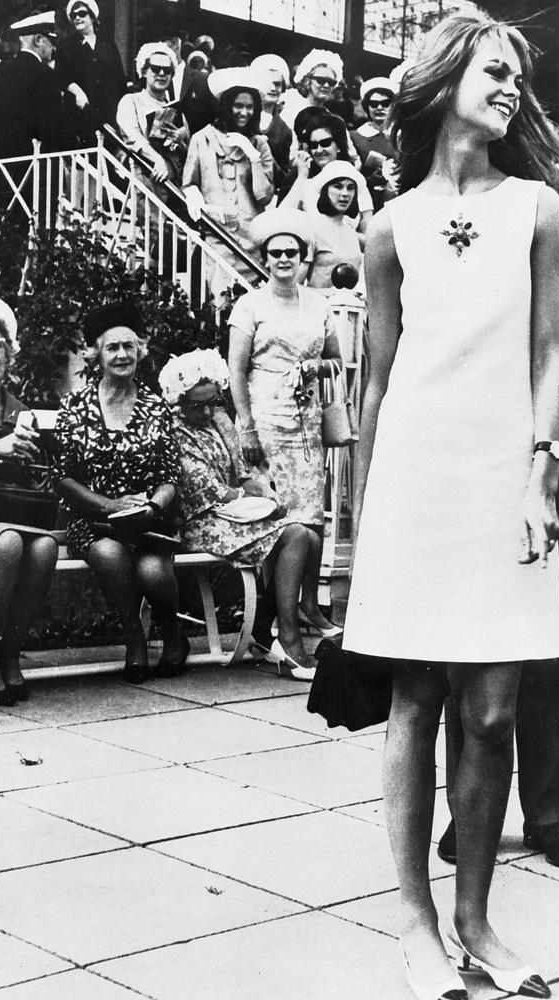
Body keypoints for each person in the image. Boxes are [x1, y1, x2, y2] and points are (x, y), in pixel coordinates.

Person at [343, 14, 559, 1000]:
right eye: (493, 72)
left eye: (515, 78)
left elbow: (548, 352)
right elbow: (376, 378)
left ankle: (474, 918)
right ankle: (413, 924)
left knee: (490, 708)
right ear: (441, 82)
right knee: (414, 698)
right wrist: (354, 525)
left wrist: (539, 474)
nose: (509, 89)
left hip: (501, 481)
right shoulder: (387, 224)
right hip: (412, 483)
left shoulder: (537, 207)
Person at [439, 201, 559, 877]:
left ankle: (548, 816)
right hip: (482, 479)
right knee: (474, 656)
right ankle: (470, 811)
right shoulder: (473, 279)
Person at [159, 348, 329, 680]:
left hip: (233, 514)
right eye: (198, 405)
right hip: (200, 522)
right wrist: (246, 496)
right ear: (179, 401)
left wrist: (262, 491)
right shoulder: (175, 429)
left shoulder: (217, 420)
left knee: (308, 535)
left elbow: (242, 473)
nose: (208, 411)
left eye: (214, 402)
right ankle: (290, 642)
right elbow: (200, 488)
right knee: (294, 536)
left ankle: (264, 631)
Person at [227, 209, 343, 674]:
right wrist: (246, 427)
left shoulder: (318, 304)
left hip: (307, 424)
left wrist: (317, 368)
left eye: (291, 253)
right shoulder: (250, 306)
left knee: (309, 526)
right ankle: (283, 631)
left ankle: (281, 623)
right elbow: (236, 369)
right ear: (264, 258)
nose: (283, 260)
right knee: (281, 527)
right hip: (266, 423)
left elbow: (336, 358)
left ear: (303, 256)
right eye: (275, 253)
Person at [54, 301, 185, 684]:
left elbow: (169, 476)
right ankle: (135, 639)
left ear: (141, 351)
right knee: (110, 556)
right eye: (112, 347)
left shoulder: (154, 406)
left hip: (146, 521)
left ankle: (173, 635)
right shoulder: (75, 407)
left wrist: (151, 507)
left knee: (154, 572)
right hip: (94, 520)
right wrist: (111, 506)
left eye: (129, 346)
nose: (122, 354)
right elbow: (63, 477)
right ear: (96, 354)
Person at [0, 297, 58, 705]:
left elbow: (27, 486)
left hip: (1, 517)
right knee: (9, 541)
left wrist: (27, 457)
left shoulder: (21, 412)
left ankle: (10, 652)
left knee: (44, 546)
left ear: (9, 352)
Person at [182, 67, 274, 286]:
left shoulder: (260, 144)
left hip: (251, 241)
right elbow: (189, 183)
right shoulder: (202, 138)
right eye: (238, 106)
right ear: (226, 106)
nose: (244, 112)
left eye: (250, 107)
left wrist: (253, 157)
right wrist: (192, 194)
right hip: (218, 239)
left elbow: (264, 197)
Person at [0, 12, 64, 223]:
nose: (54, 48)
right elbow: (53, 129)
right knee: (40, 236)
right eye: (51, 41)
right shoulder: (46, 75)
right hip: (38, 173)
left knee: (9, 237)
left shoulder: (3, 74)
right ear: (38, 40)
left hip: (7, 169)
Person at [280, 111, 373, 242]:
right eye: (313, 145)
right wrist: (302, 176)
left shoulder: (353, 178)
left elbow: (368, 235)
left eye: (325, 143)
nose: (318, 150)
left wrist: (340, 234)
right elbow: (281, 218)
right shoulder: (299, 177)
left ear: (339, 146)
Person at [116, 42, 189, 191]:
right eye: (155, 69)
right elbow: (133, 137)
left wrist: (180, 141)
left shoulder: (175, 108)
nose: (162, 74)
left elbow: (187, 150)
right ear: (143, 72)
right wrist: (158, 160)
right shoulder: (131, 101)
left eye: (167, 70)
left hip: (173, 181)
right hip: (142, 176)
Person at [55, 0, 126, 147]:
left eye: (82, 13)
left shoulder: (108, 44)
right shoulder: (66, 45)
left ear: (92, 17)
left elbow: (119, 79)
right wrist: (76, 90)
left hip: (109, 112)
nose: (77, 18)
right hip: (83, 112)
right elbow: (60, 76)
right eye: (73, 15)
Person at [306, 160, 365, 293]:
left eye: (350, 188)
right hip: (318, 308)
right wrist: (329, 293)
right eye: (338, 186)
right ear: (325, 190)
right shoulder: (312, 228)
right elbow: (294, 287)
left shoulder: (350, 231)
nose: (345, 193)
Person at [350, 77, 396, 211]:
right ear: (367, 106)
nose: (379, 108)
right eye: (374, 104)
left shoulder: (402, 137)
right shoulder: (355, 137)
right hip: (366, 202)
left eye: (385, 103)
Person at [251, 53, 293, 188]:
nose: (273, 88)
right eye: (268, 83)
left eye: (278, 84)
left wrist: (265, 155)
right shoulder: (243, 116)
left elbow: (283, 176)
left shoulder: (284, 130)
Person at [279, 48, 343, 130]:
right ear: (307, 81)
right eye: (321, 80)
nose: (326, 85)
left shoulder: (332, 119)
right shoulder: (291, 110)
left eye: (331, 82)